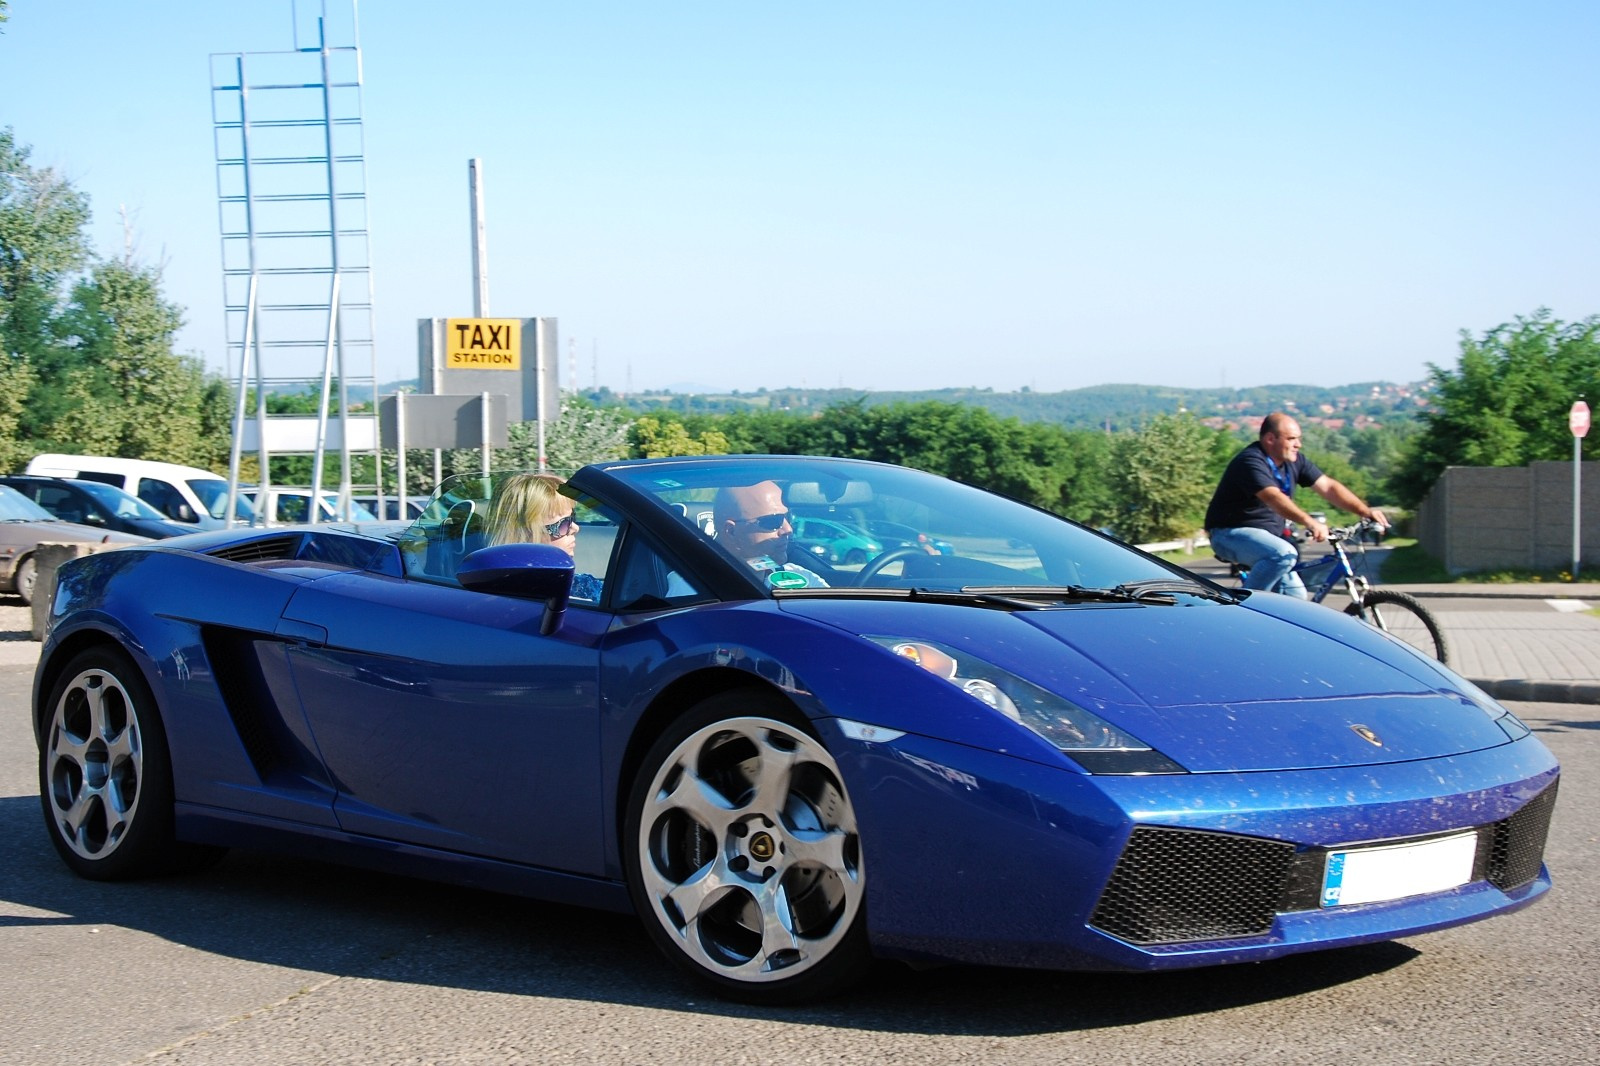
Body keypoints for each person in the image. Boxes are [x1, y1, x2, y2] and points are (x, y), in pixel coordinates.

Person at [1204, 413, 1388, 598]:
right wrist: (1310, 522)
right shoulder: (1251, 461)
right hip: (1229, 534)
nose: (1298, 444)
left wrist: (1365, 511)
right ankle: (1242, 609)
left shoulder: (1295, 461)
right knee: (1281, 553)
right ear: (1270, 439)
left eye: (1299, 439)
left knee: (1297, 599)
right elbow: (1273, 497)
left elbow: (1328, 487)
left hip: (1269, 538)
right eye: (1291, 439)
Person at [486, 472, 604, 600]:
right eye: (563, 523)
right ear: (524, 534)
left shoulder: (584, 586)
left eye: (573, 517)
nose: (575, 528)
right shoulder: (494, 594)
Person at [711, 480, 829, 587]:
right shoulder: (700, 588)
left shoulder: (801, 580)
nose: (788, 529)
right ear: (731, 532)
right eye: (773, 521)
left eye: (788, 517)